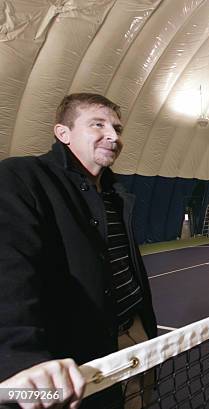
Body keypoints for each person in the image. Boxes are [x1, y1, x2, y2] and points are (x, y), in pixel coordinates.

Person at [0, 93, 157, 408]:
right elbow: (9, 272)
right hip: (81, 359)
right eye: (98, 125)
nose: (113, 136)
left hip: (136, 337)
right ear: (63, 133)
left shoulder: (115, 194)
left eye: (117, 128)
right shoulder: (22, 178)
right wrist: (19, 358)